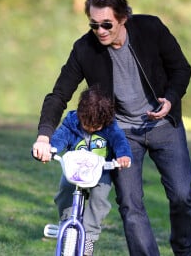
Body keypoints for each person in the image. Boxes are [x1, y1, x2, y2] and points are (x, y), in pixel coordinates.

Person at [32, 0, 191, 256]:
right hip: (122, 134)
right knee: (130, 205)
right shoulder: (84, 49)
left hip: (164, 127)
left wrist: (170, 98)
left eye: (107, 24)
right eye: (94, 25)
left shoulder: (151, 29)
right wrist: (44, 135)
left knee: (182, 195)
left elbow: (181, 69)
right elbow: (59, 94)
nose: (100, 31)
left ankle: (184, 250)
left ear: (123, 19)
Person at [34, 85, 132, 256]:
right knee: (65, 189)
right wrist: (51, 149)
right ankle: (66, 224)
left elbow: (119, 141)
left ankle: (89, 236)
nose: (89, 128)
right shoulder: (72, 122)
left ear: (106, 121)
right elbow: (60, 137)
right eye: (85, 123)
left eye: (95, 126)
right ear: (79, 114)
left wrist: (123, 155)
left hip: (99, 172)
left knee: (99, 199)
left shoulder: (110, 127)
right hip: (75, 170)